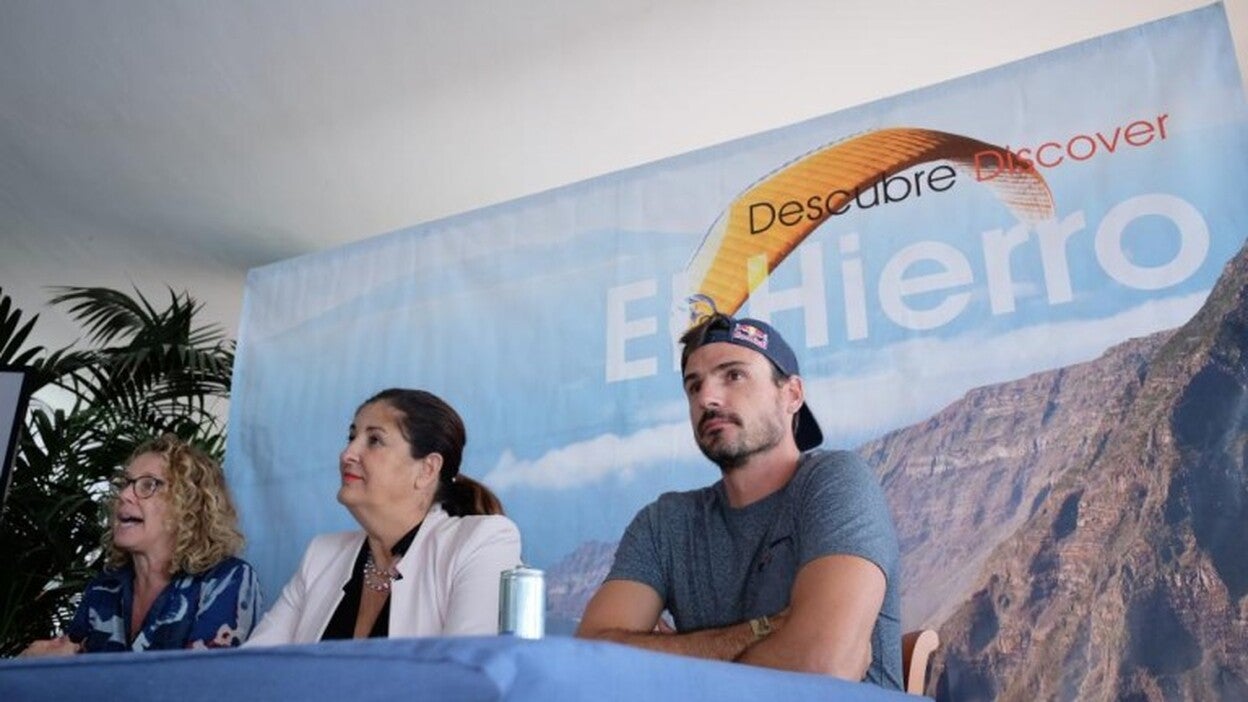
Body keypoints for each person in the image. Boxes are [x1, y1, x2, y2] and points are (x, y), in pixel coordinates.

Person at [576, 313, 902, 688]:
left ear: (792, 395)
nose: (707, 398)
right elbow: (591, 659)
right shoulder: (664, 523)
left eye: (733, 375)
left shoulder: (834, 481)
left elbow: (823, 665)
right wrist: (761, 629)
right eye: (694, 386)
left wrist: (670, 658)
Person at [247, 388, 521, 644]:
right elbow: (253, 666)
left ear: (427, 469)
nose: (347, 454)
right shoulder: (321, 555)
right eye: (352, 437)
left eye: (374, 440)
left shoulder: (482, 541)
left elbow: (464, 669)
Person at [21, 435, 262, 655]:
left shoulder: (226, 580)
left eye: (148, 485)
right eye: (125, 483)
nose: (124, 495)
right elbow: (66, 673)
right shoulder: (103, 589)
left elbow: (202, 680)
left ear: (190, 505)